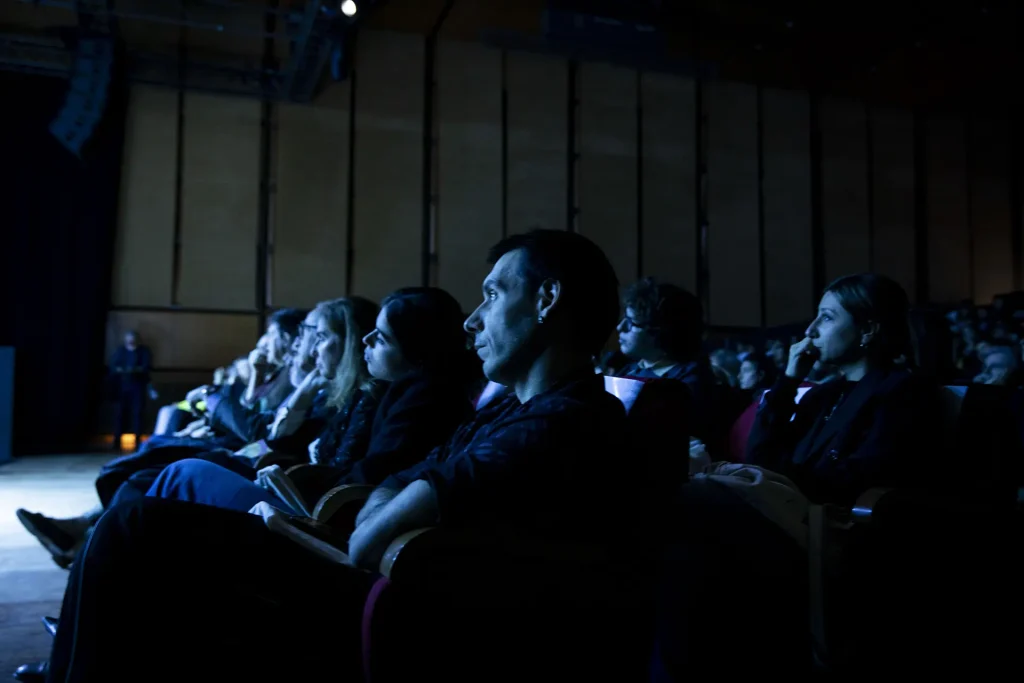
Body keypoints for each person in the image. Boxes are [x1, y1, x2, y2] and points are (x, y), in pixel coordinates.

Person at [28, 229, 637, 682]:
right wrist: (386, 504)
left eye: (493, 294)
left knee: (140, 522)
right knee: (144, 510)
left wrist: (384, 508)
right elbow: (398, 482)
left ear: (547, 298)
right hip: (360, 561)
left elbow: (389, 516)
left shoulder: (570, 417)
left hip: (398, 602)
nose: (473, 320)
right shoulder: (510, 410)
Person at [145, 287, 480, 515]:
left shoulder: (399, 394)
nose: (298, 347)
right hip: (301, 485)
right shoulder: (383, 390)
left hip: (320, 509)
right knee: (164, 469)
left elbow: (360, 472)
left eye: (317, 337)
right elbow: (271, 435)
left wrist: (287, 472)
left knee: (183, 472)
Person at [746, 273, 941, 506]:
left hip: (828, 526)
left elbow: (855, 479)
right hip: (785, 507)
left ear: (867, 330)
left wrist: (775, 481)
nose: (810, 330)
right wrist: (789, 381)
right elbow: (759, 455)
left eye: (826, 318)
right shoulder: (822, 395)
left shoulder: (903, 393)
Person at [108, 330, 156, 450]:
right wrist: (130, 370)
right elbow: (114, 367)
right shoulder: (120, 351)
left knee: (138, 413)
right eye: (129, 338)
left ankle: (138, 440)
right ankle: (117, 440)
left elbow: (146, 368)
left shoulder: (143, 351)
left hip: (138, 387)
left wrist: (129, 370)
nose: (131, 340)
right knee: (120, 414)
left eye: (133, 338)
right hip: (122, 387)